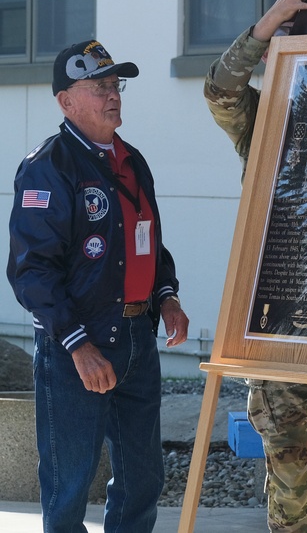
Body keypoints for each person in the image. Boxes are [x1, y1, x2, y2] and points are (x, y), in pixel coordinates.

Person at [7, 39, 190, 532]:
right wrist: (78, 346)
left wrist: (166, 296)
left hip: (137, 340)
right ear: (66, 101)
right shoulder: (49, 166)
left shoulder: (133, 160)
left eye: (116, 84)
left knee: (142, 481)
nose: (113, 95)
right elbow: (31, 271)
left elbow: (149, 244)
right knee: (69, 487)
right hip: (78, 348)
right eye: (98, 87)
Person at [203, 0, 307, 533]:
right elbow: (220, 88)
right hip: (278, 317)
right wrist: (265, 26)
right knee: (289, 463)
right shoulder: (266, 120)